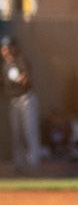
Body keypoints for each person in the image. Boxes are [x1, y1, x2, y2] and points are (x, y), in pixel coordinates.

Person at [2, 37, 41, 171]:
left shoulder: (20, 60)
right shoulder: (5, 65)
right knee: (16, 133)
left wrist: (20, 78)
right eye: (4, 48)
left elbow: (26, 80)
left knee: (29, 131)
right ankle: (19, 164)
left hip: (26, 99)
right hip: (14, 102)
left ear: (14, 48)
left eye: (8, 47)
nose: (6, 51)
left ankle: (33, 164)